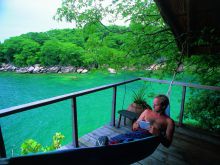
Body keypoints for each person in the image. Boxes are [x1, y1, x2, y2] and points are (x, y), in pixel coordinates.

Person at [96, 94, 175, 148]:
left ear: (164, 106)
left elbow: (167, 144)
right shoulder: (147, 111)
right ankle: (107, 144)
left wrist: (158, 134)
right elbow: (134, 126)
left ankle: (109, 146)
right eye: (153, 103)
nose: (153, 106)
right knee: (120, 138)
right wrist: (135, 124)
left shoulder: (169, 122)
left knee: (126, 143)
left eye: (156, 104)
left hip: (147, 141)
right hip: (136, 134)